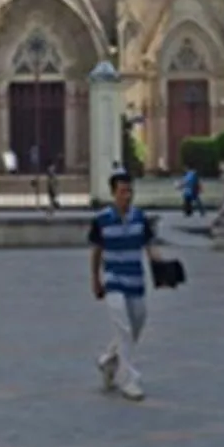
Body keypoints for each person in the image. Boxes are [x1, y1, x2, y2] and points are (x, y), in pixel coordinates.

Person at [89, 170, 162, 401]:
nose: (127, 196)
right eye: (122, 191)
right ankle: (128, 380)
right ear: (113, 193)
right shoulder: (102, 220)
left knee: (136, 325)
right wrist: (95, 279)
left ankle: (108, 359)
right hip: (113, 280)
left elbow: (150, 246)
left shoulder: (140, 218)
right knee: (123, 328)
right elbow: (97, 252)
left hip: (136, 280)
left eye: (130, 191)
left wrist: (161, 264)